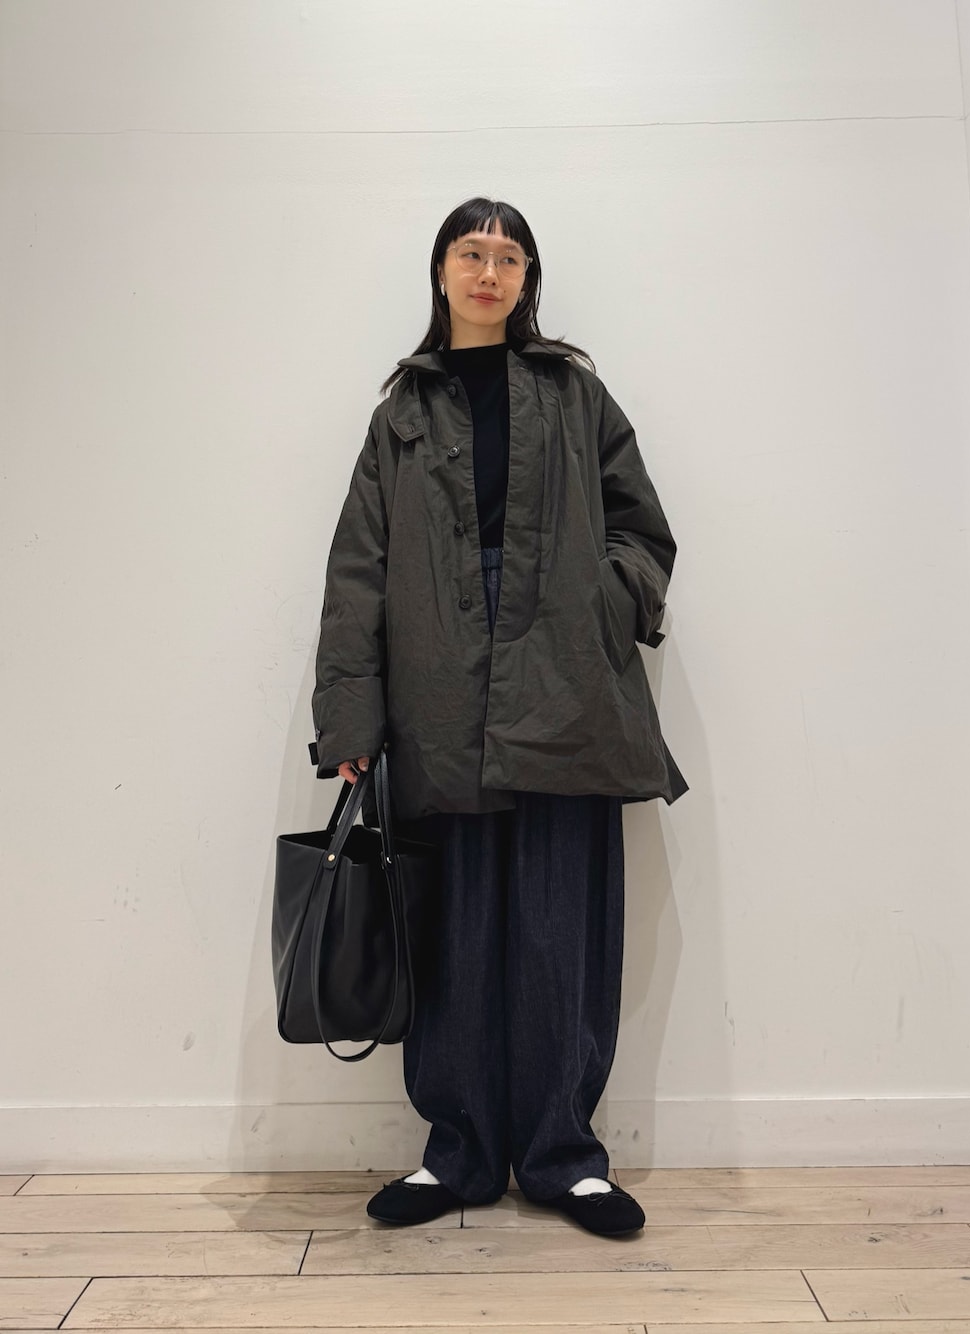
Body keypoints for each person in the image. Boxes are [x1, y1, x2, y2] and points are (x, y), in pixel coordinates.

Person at [310, 197, 688, 1237]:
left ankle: (565, 1156)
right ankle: (458, 1151)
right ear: (441, 271)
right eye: (471, 253)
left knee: (564, 929)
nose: (489, 271)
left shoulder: (573, 391)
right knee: (454, 931)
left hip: (566, 684)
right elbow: (357, 572)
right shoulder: (402, 410)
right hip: (439, 688)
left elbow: (643, 530)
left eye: (509, 257)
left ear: (528, 280)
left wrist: (603, 605)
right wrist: (352, 718)